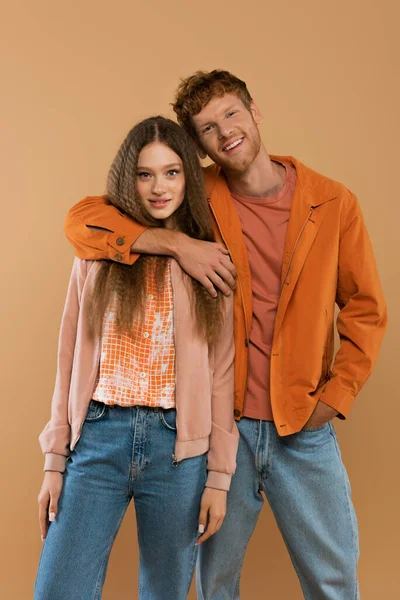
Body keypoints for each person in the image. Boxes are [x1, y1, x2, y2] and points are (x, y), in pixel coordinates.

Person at [63, 71, 387, 599]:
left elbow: (366, 308)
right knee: (212, 584)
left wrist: (338, 393)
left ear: (255, 111)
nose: (225, 133)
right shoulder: (196, 195)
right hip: (224, 426)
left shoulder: (332, 204)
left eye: (231, 114)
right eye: (207, 128)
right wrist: (179, 247)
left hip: (301, 427)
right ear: (199, 147)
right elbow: (82, 221)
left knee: (334, 579)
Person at [35, 116, 239, 600]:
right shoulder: (96, 252)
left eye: (171, 172)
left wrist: (219, 477)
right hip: (98, 439)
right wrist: (53, 461)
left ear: (189, 175)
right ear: (129, 179)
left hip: (178, 452)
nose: (158, 187)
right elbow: (67, 359)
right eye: (145, 174)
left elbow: (222, 372)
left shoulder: (211, 261)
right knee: (59, 590)